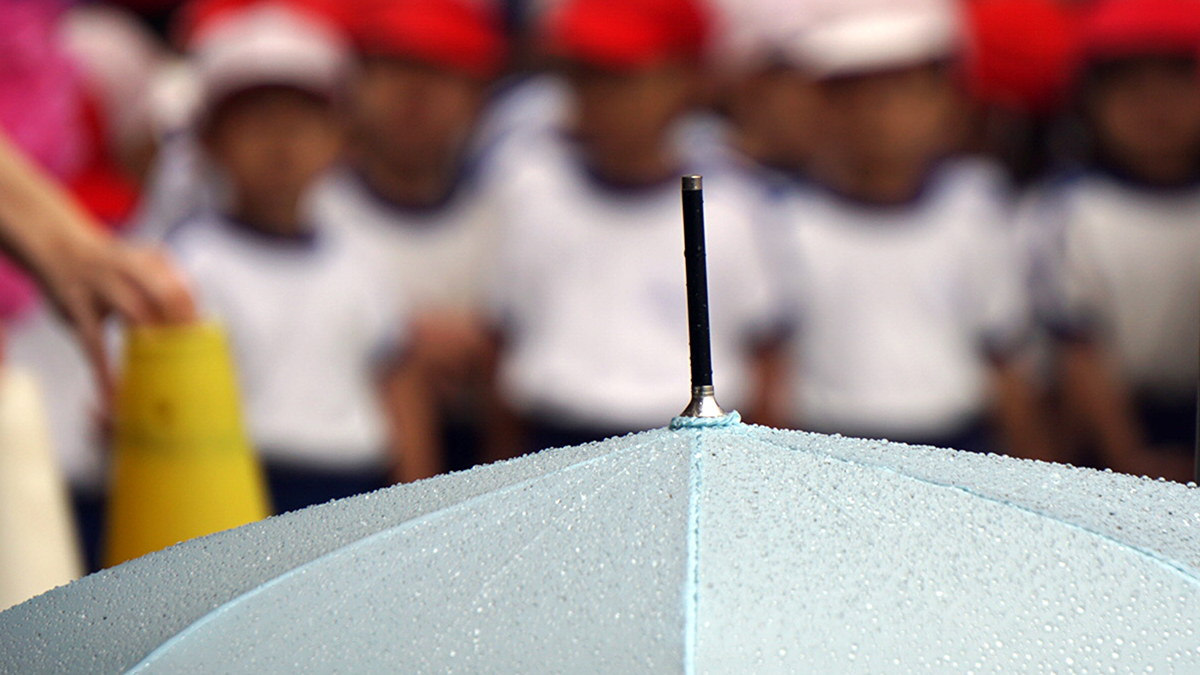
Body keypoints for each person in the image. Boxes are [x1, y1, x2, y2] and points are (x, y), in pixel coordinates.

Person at [762, 0, 1054, 461]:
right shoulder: (781, 219)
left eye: (901, 89)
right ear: (820, 104)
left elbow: (1003, 357)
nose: (878, 113)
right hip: (823, 449)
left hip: (957, 446)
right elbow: (770, 368)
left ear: (947, 99)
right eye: (850, 91)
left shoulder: (976, 205)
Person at [485, 0, 778, 457]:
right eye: (585, 74)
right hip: (554, 441)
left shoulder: (733, 208)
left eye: (622, 76)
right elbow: (503, 345)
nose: (599, 96)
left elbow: (766, 357)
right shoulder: (529, 190)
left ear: (684, 81)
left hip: (694, 450)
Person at [165, 1, 420, 512]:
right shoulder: (185, 265)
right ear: (210, 140)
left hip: (354, 487)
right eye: (257, 124)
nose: (281, 145)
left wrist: (417, 504)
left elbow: (397, 384)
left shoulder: (362, 262)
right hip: (238, 487)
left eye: (300, 124)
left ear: (339, 138)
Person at [309, 0, 508, 478]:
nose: (415, 92)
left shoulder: (510, 209)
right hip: (347, 470)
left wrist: (487, 349)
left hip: (482, 463)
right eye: (395, 68)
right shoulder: (310, 205)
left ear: (477, 95)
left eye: (441, 72)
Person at [1024, 0, 1200, 482]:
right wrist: (1127, 455)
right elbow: (1078, 350)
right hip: (1110, 432)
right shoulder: (1069, 211)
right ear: (1089, 100)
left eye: (1178, 80)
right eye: (1130, 85)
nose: (1155, 105)